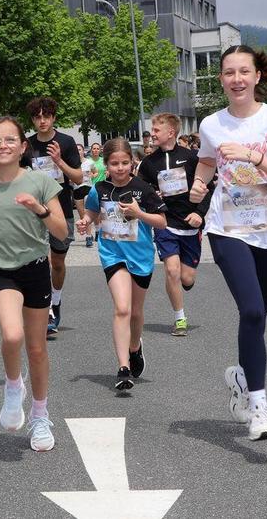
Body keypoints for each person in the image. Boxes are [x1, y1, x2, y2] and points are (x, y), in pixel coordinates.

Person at [188, 44, 267, 441]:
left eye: (244, 72)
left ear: (257, 76)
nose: (236, 79)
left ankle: (241, 377)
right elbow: (208, 159)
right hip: (228, 229)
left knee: (256, 320)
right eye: (229, 73)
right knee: (253, 311)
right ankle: (259, 407)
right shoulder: (211, 124)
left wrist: (254, 158)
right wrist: (200, 183)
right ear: (220, 79)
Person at [0, 116, 68, 452]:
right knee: (12, 335)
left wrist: (39, 209)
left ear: (23, 146)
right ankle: (14, 386)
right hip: (0, 270)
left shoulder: (40, 181)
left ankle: (40, 416)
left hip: (36, 269)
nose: (3, 146)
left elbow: (61, 231)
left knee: (37, 349)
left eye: (10, 139)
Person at [77, 137, 167, 390]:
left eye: (125, 163)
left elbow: (162, 222)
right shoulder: (99, 188)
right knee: (122, 309)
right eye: (114, 163)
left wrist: (139, 213)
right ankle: (123, 367)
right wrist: (85, 221)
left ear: (132, 163)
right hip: (113, 254)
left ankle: (135, 347)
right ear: (106, 165)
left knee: (136, 312)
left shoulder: (143, 189)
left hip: (140, 257)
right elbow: (92, 211)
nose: (120, 168)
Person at [138, 112, 212, 336]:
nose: (152, 134)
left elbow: (209, 188)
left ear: (171, 132)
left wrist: (199, 213)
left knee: (186, 278)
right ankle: (180, 319)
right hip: (165, 223)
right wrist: (153, 196)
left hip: (190, 223)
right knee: (172, 270)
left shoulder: (192, 158)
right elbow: (141, 190)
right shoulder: (148, 163)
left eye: (156, 130)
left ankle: (186, 280)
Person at [22, 97, 83, 337]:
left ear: (54, 117)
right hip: (33, 214)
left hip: (61, 210)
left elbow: (78, 178)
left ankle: (55, 300)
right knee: (42, 261)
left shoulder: (66, 142)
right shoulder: (27, 145)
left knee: (57, 262)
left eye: (46, 116)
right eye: (37, 117)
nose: (42, 121)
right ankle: (45, 310)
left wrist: (58, 161)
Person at [75, 144, 95, 248]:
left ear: (83, 151)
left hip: (87, 187)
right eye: (76, 150)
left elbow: (95, 172)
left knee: (87, 213)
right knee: (82, 215)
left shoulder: (89, 162)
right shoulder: (72, 163)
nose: (78, 152)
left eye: (79, 150)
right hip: (77, 189)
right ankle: (87, 233)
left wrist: (92, 175)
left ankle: (88, 236)